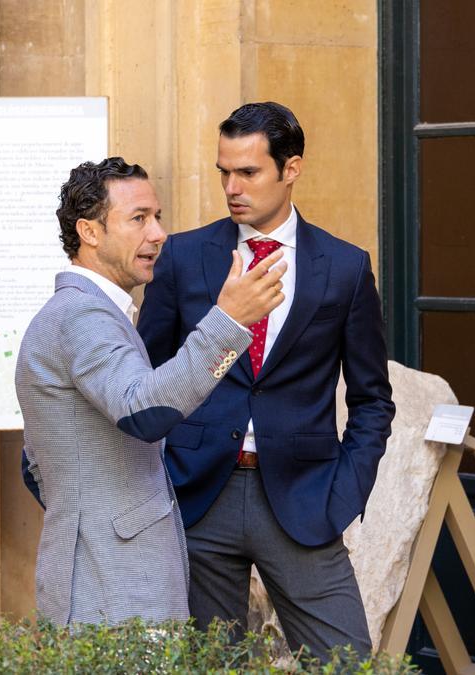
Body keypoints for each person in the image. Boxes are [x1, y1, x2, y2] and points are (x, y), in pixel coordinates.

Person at [137, 102, 396, 658]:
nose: (232, 187)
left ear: (291, 168)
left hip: (304, 498)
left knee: (345, 662)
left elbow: (373, 398)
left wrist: (344, 490)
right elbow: (147, 382)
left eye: (248, 172)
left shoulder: (346, 267)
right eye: (223, 172)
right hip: (199, 494)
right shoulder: (182, 256)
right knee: (210, 666)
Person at [15, 156, 286, 626]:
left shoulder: (97, 313)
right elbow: (146, 413)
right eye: (139, 218)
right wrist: (227, 323)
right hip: (112, 589)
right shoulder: (82, 315)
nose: (158, 234)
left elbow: (36, 465)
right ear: (90, 232)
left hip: (115, 580)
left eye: (156, 217)